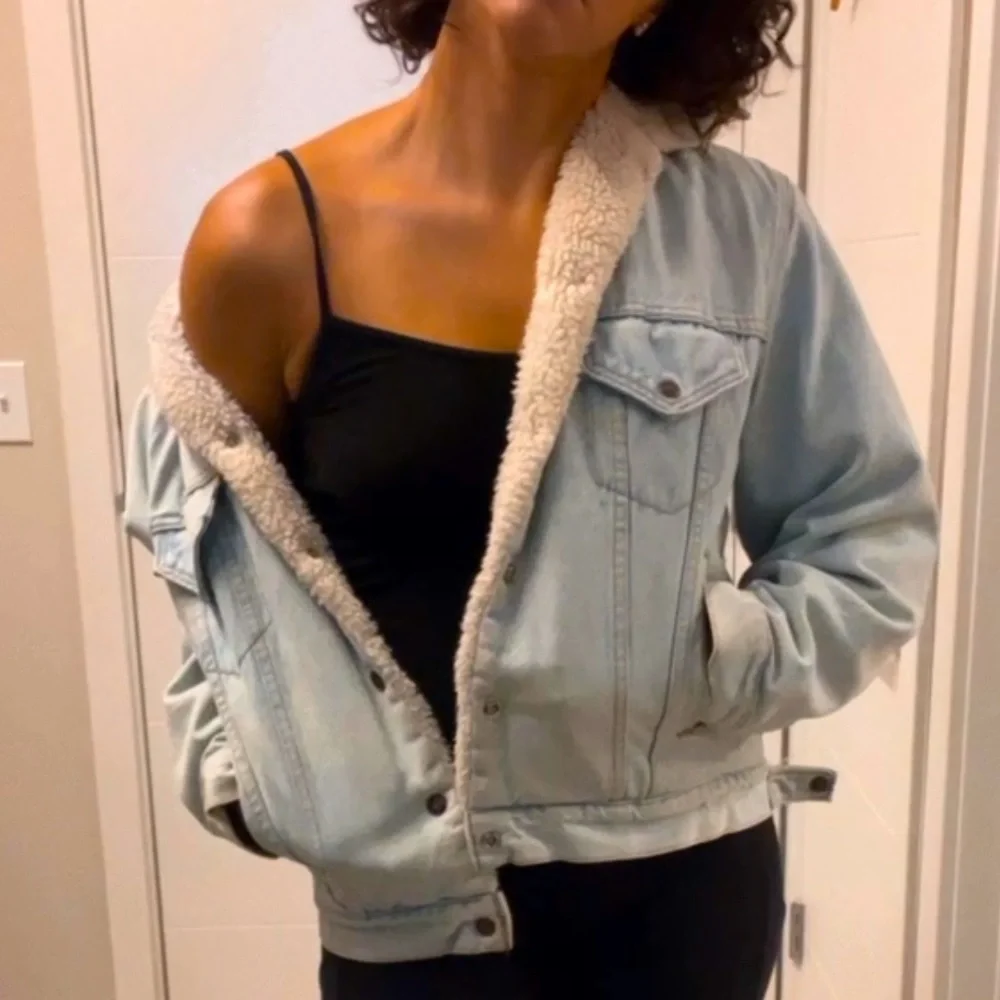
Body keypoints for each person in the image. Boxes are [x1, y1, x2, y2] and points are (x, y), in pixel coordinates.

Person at [125, 0, 939, 996]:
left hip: (681, 900)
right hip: (409, 928)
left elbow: (866, 529)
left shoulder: (744, 232)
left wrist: (708, 669)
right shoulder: (264, 239)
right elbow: (212, 569)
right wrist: (250, 772)